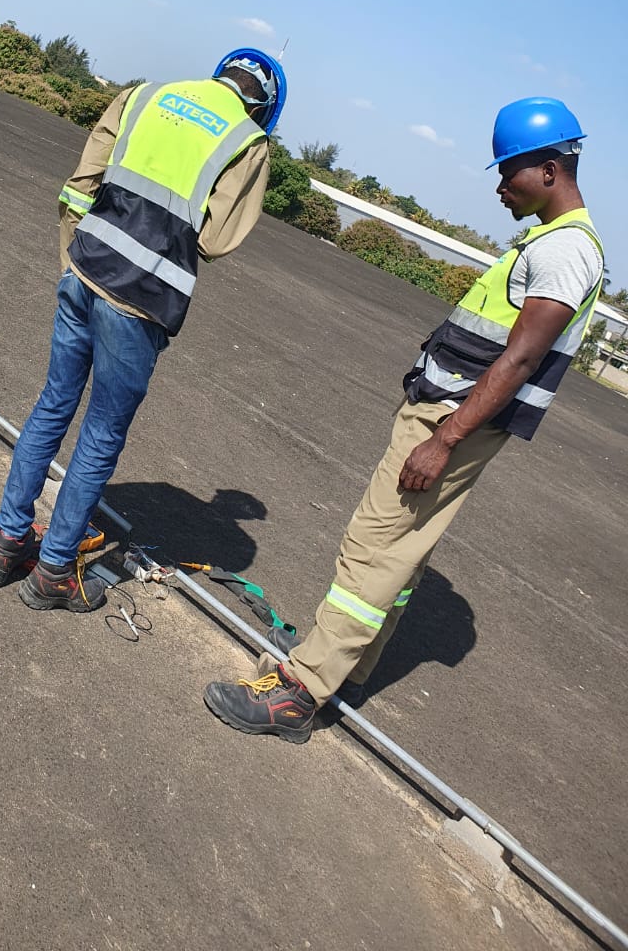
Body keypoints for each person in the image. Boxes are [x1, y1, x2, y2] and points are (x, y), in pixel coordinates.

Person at [204, 97, 604, 742]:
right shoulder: (555, 243)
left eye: (510, 172)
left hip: (450, 423)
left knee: (373, 551)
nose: (500, 187)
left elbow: (523, 355)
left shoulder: (565, 250)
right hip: (448, 416)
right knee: (401, 555)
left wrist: (444, 438)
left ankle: (299, 692)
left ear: (551, 168)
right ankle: (350, 674)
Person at [0, 49, 286, 612]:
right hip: (140, 301)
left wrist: (72, 260)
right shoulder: (248, 141)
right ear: (264, 105)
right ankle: (52, 574)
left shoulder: (145, 95)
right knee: (100, 433)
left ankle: (7, 541)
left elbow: (81, 182)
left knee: (52, 404)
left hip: (84, 268)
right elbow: (215, 240)